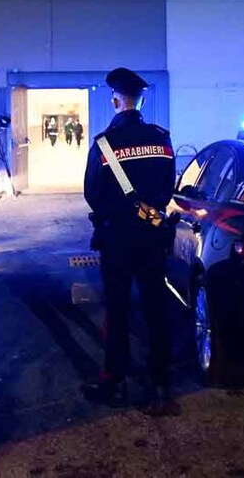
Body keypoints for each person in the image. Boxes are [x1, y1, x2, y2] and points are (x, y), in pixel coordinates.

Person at [82, 67, 177, 415]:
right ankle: (162, 381)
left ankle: (115, 383)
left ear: (115, 100)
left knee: (118, 311)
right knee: (156, 307)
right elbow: (168, 187)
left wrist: (118, 213)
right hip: (153, 236)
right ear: (140, 100)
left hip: (117, 238)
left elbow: (92, 194)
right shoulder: (161, 138)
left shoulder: (105, 144)